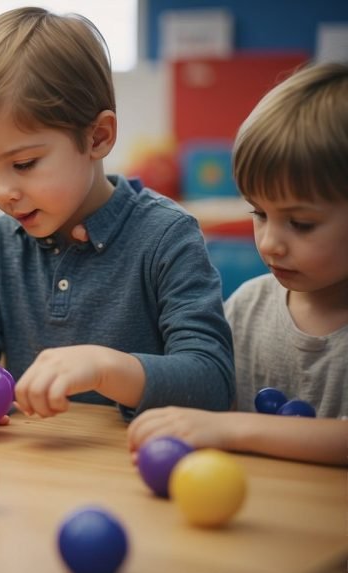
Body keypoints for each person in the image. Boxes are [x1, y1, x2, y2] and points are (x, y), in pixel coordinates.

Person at [0, 7, 234, 423]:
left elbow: (213, 382)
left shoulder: (168, 236)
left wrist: (107, 368)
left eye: (25, 164)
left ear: (98, 137)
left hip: (134, 469)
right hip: (35, 467)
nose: (2, 192)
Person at [128, 62, 348, 466]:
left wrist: (231, 429)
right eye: (259, 213)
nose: (269, 243)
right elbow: (202, 390)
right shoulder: (247, 308)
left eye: (300, 223)